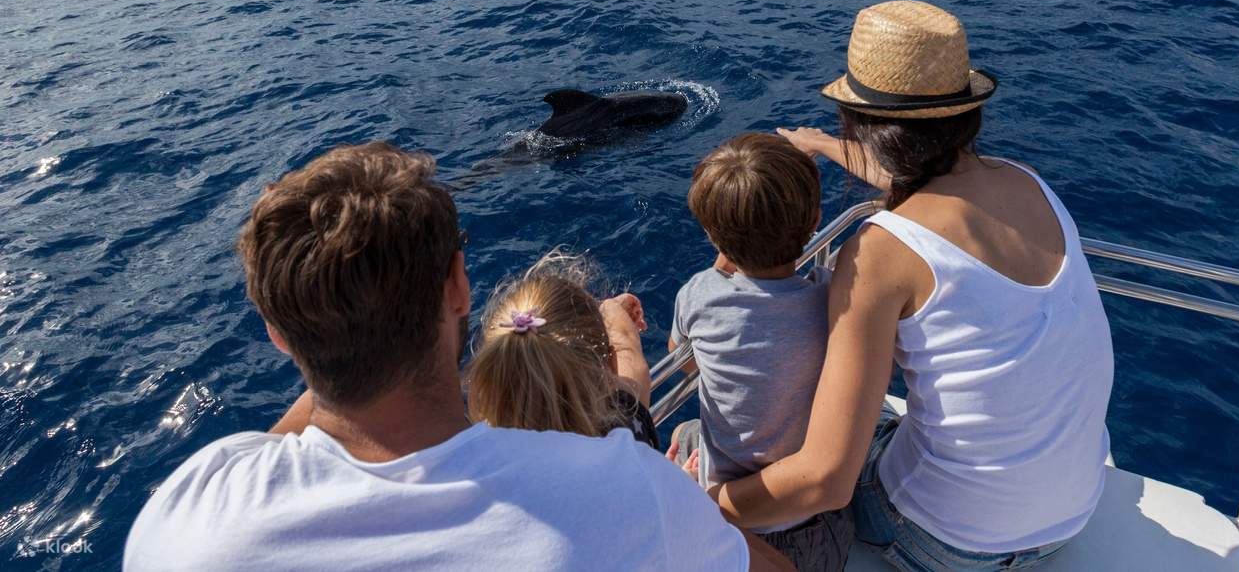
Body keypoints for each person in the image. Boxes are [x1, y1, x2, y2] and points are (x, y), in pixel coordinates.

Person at [124, 142, 794, 572]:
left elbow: (284, 439)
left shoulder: (187, 518)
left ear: (275, 332)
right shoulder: (627, 491)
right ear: (458, 288)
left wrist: (323, 319)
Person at [709, 0, 1114, 572]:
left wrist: (698, 503)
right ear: (963, 112)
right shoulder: (1028, 184)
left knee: (816, 439)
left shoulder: (880, 251)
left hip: (948, 542)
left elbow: (826, 482)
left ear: (864, 123)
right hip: (1069, 518)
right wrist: (824, 144)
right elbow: (930, 179)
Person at [667, 132, 853, 572]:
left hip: (733, 535)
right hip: (823, 530)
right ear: (816, 220)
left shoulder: (698, 296)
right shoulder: (832, 297)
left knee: (682, 434)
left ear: (713, 237)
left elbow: (684, 360)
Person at [467, 250, 660, 449]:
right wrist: (610, 307)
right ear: (609, 366)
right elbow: (628, 349)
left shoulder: (478, 468)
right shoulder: (625, 435)